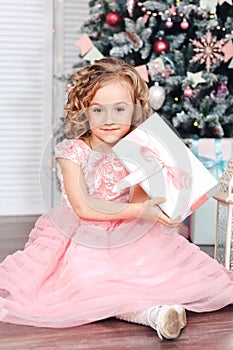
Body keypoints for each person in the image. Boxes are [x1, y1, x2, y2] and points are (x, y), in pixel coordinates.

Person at [0, 57, 233, 341]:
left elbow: (143, 199)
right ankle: (154, 314)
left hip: (129, 228)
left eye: (120, 109)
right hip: (84, 235)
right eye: (98, 110)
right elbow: (84, 207)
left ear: (134, 110)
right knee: (91, 282)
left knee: (172, 276)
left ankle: (160, 306)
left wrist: (160, 210)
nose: (109, 120)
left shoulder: (140, 149)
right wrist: (139, 211)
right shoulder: (73, 151)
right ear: (84, 111)